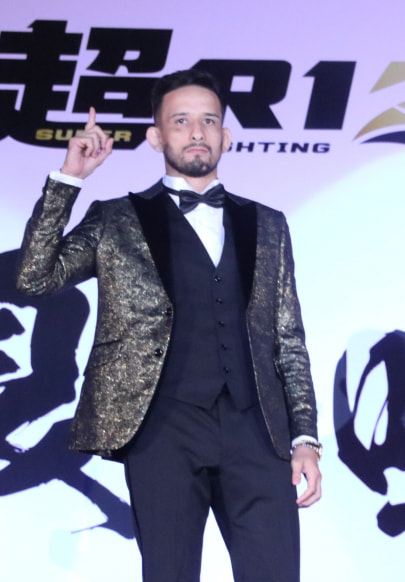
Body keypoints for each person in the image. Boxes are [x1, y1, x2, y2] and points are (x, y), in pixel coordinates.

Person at [15, 68, 321, 582]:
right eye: (181, 121)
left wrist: (305, 438)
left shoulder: (267, 223)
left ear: (226, 136)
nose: (197, 132)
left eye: (209, 121)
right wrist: (69, 179)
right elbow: (34, 278)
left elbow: (288, 337)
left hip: (257, 431)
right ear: (156, 137)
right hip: (162, 429)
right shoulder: (115, 219)